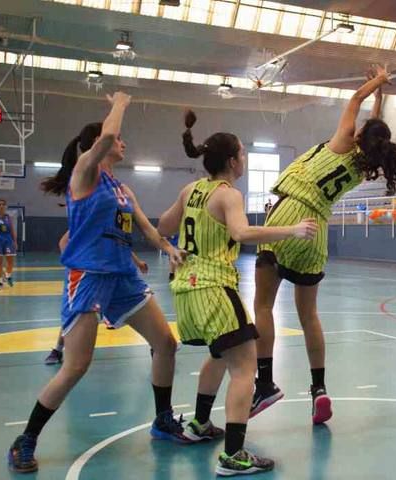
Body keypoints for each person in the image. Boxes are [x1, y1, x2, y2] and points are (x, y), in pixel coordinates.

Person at [7, 92, 191, 474]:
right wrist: (121, 103)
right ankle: (25, 440)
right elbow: (107, 138)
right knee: (76, 366)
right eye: (118, 139)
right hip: (88, 276)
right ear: (97, 144)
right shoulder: (85, 174)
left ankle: (162, 420)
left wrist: (166, 248)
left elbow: (145, 226)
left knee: (166, 344)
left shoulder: (123, 189)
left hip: (122, 276)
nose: (122, 143)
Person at [159, 119, 317, 476]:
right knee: (245, 365)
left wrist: (168, 249)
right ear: (232, 161)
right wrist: (292, 229)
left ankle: (200, 424)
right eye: (243, 153)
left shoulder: (191, 190)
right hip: (214, 288)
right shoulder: (229, 194)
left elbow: (163, 227)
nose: (244, 159)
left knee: (219, 354)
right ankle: (233, 455)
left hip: (185, 292)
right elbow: (242, 232)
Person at [252, 65, 396, 423]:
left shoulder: (341, 141)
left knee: (263, 305)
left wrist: (378, 81)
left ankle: (265, 383)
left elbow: (356, 97)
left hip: (288, 216)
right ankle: (319, 389)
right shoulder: (364, 163)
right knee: (309, 316)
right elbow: (371, 125)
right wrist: (382, 96)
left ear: (359, 135)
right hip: (317, 230)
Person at [44, 231, 150, 365]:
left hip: (112, 274)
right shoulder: (89, 220)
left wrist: (138, 262)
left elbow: (122, 245)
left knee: (138, 306)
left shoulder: (115, 222)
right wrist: (75, 265)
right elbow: (63, 243)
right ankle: (58, 350)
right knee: (76, 314)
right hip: (89, 276)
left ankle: (155, 344)